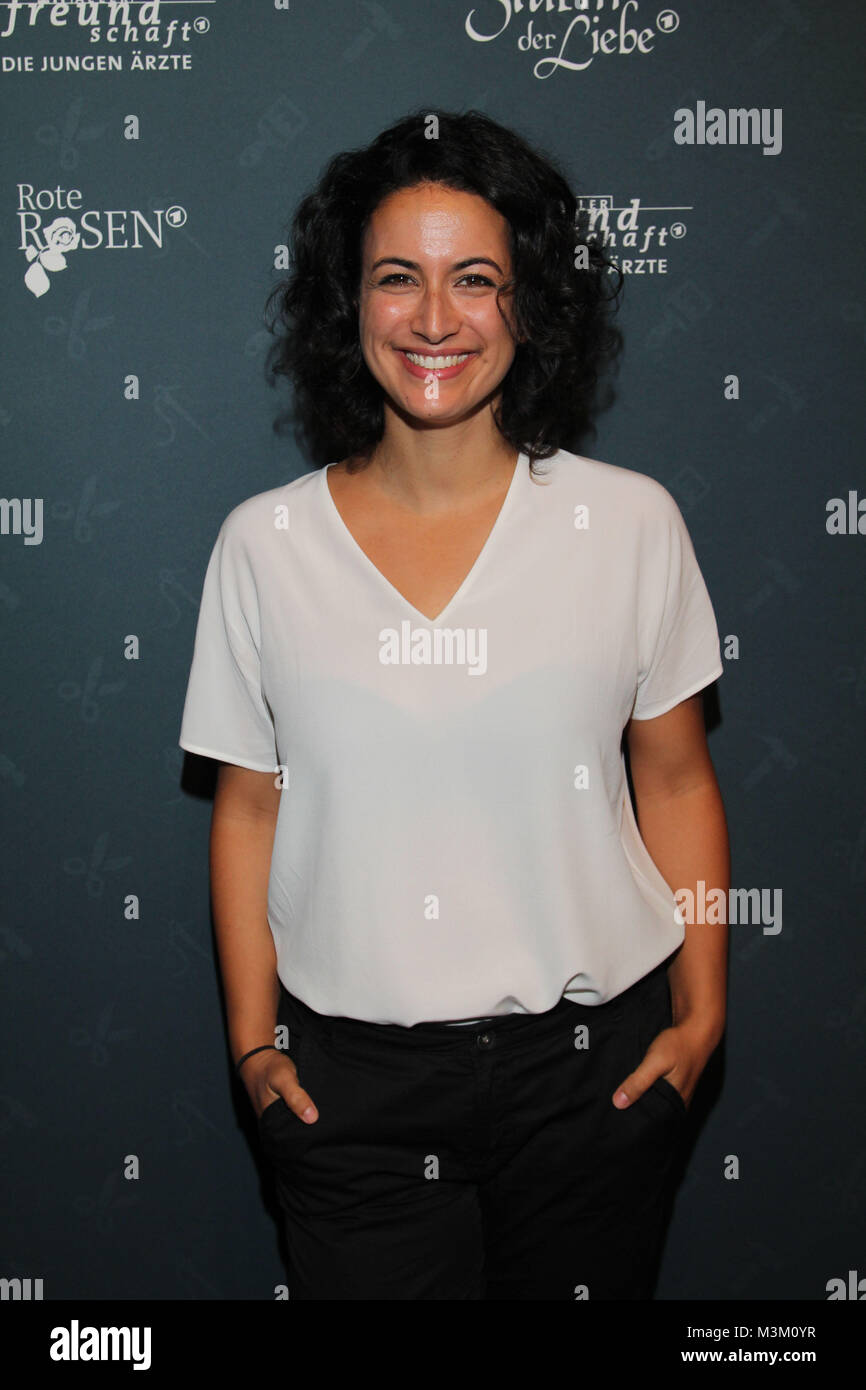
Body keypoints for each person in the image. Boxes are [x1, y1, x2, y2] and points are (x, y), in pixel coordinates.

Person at [178, 108, 729, 1301]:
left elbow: (677, 778)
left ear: (527, 302)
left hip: (592, 1077)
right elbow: (246, 809)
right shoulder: (263, 547)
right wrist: (252, 1043)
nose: (434, 318)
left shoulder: (629, 524)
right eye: (397, 278)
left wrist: (699, 1016)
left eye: (474, 278)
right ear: (348, 302)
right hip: (351, 1094)